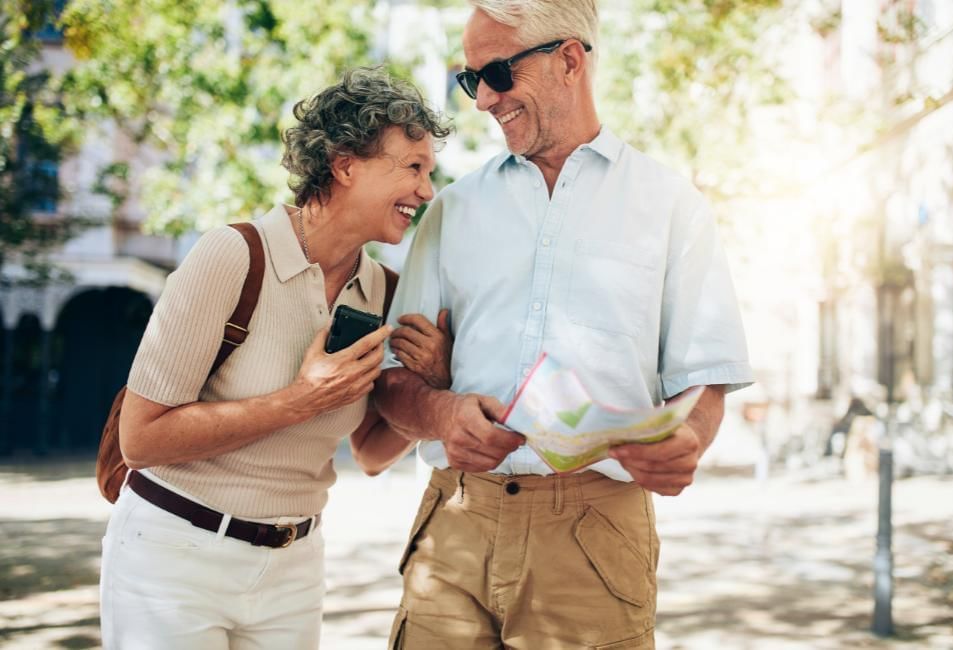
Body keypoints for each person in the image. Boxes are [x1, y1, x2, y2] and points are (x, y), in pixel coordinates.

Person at [374, 2, 754, 648]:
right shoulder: (451, 212)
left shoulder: (672, 208)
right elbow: (389, 385)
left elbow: (704, 383)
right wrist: (440, 415)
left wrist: (688, 440)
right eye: (471, 81)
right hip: (456, 529)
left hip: (595, 540)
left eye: (495, 73)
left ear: (570, 60)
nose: (483, 100)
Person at [99, 67, 452, 649]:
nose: (426, 191)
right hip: (173, 558)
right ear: (345, 165)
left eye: (428, 172)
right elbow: (141, 440)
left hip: (293, 567)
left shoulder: (383, 291)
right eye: (412, 168)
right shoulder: (233, 257)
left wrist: (434, 385)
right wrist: (297, 401)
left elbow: (368, 452)